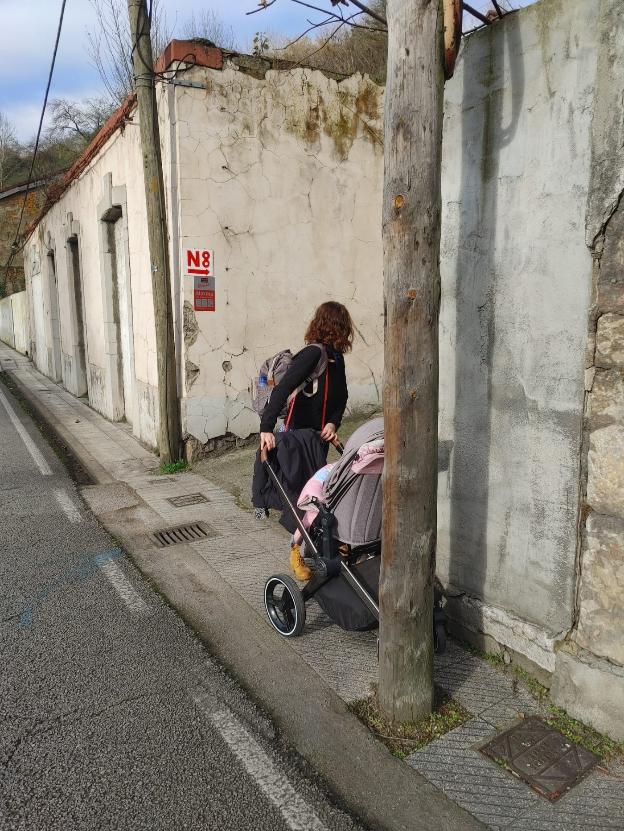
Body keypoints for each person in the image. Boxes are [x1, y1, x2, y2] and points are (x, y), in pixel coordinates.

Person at [258, 301, 353, 580]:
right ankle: (296, 552)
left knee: (318, 497)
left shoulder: (337, 359)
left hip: (317, 439)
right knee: (302, 498)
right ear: (336, 326)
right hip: (297, 440)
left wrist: (333, 423)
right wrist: (266, 427)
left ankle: (322, 549)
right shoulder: (312, 354)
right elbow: (283, 389)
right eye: (344, 325)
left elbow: (342, 397)